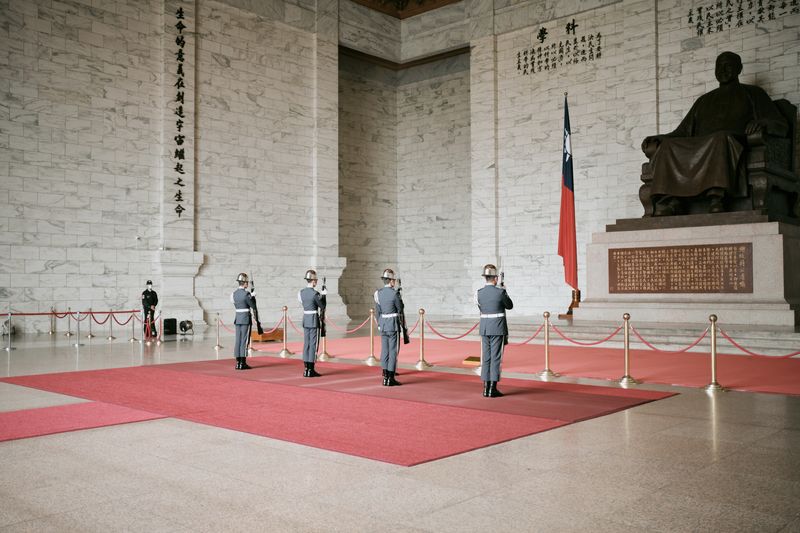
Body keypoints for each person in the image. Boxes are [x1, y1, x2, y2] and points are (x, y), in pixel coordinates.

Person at [641, 51, 788, 216]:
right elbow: (682, 131)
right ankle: (673, 201)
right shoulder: (704, 100)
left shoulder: (753, 93)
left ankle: (716, 198)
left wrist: (762, 123)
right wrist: (660, 138)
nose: (723, 70)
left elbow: (781, 125)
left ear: (739, 69)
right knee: (668, 145)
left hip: (732, 140)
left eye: (728, 66)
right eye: (719, 67)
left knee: (721, 137)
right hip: (704, 144)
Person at [476, 264, 513, 397]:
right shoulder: (500, 292)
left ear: (485, 278)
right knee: (496, 358)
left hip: (485, 327)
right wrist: (504, 290)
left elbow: (482, 308)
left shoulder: (479, 293)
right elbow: (510, 306)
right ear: (495, 278)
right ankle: (493, 389)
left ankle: (485, 388)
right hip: (497, 327)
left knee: (486, 358)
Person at [375, 268, 404, 386]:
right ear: (391, 281)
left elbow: (378, 311)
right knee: (392, 351)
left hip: (383, 324)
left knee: (384, 350)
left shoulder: (378, 293)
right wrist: (400, 297)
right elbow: (400, 308)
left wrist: (379, 324)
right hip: (392, 324)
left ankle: (385, 375)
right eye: (394, 280)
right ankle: (390, 378)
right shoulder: (394, 293)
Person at [298, 269, 326, 377]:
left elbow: (303, 302)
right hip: (314, 320)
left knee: (306, 344)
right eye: (316, 280)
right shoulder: (315, 294)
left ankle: (306, 368)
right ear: (313, 281)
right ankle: (311, 369)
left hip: (306, 319)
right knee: (313, 344)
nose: (317, 282)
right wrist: (324, 295)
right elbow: (322, 306)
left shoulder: (301, 293)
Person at [230, 273, 254, 370]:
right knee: (244, 340)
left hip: (238, 318)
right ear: (244, 283)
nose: (247, 284)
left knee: (238, 340)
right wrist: (253, 296)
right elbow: (252, 305)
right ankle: (242, 363)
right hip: (245, 318)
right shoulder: (246, 294)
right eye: (246, 282)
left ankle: (237, 362)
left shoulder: (233, 294)